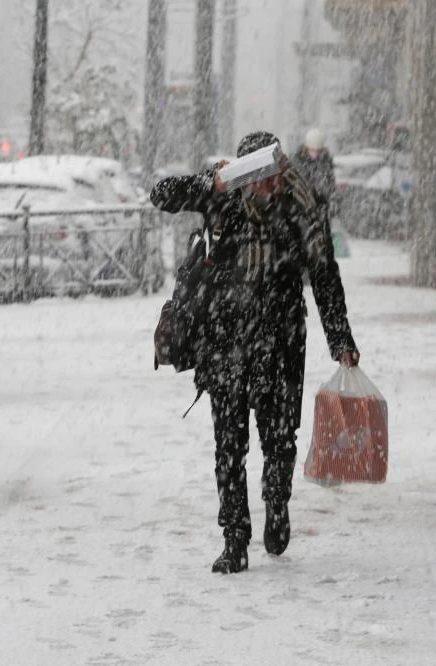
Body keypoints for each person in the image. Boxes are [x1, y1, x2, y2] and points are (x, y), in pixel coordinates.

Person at [150, 131, 360, 574]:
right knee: (229, 444)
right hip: (224, 341)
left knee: (280, 439)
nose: (266, 186)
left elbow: (324, 275)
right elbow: (161, 195)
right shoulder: (223, 200)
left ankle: (277, 504)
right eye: (256, 176)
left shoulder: (301, 207)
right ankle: (234, 538)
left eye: (272, 174)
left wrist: (341, 340)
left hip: (281, 340)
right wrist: (214, 183)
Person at [291, 127, 336, 207]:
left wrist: (330, 197)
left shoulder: (325, 159)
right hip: (303, 201)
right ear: (307, 148)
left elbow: (330, 179)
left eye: (318, 150)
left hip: (322, 200)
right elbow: (297, 181)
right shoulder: (298, 160)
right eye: (312, 150)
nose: (315, 153)